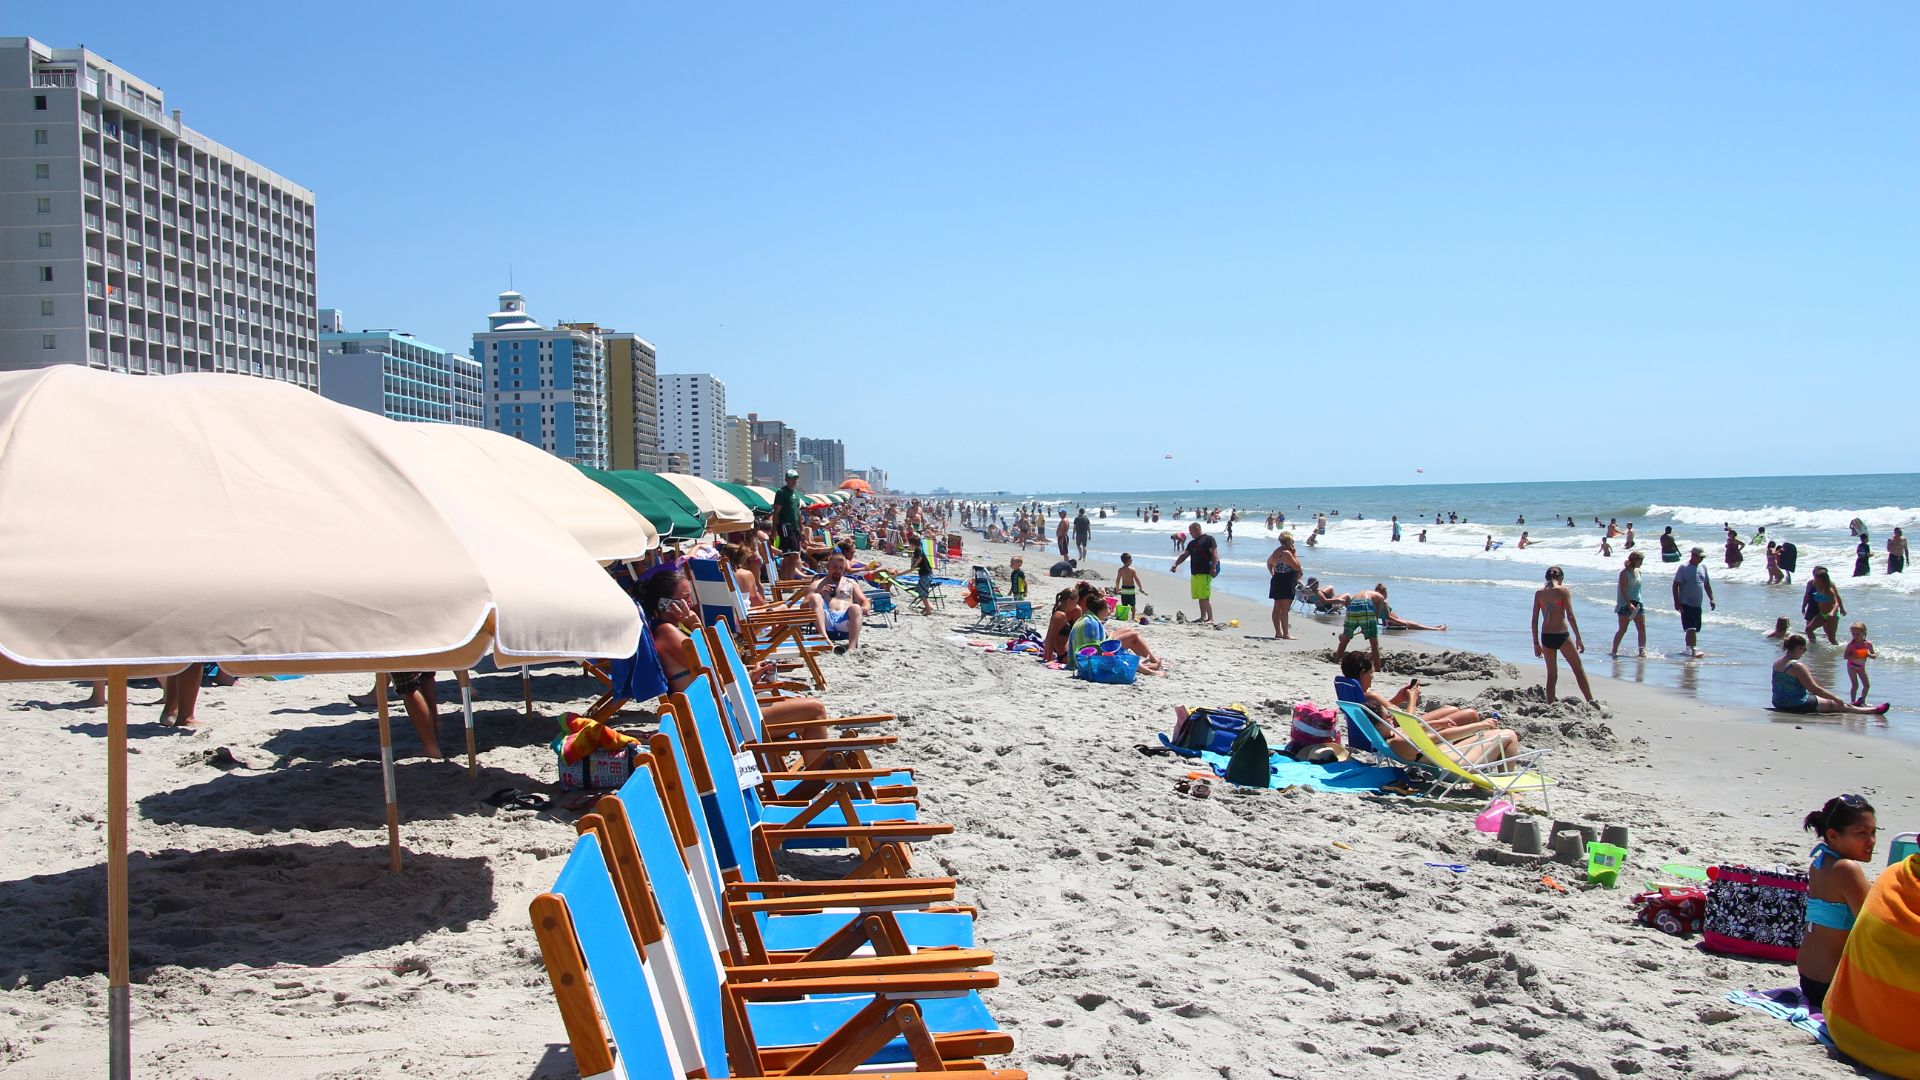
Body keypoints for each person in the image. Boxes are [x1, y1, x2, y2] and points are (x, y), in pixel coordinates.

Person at [1337, 653, 1521, 765]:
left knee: (1451, 708)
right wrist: (1412, 699)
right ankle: (1466, 745)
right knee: (1470, 715)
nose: (1373, 677)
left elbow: (1384, 713)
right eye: (1371, 674)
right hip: (1401, 730)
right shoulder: (1371, 696)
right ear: (1362, 673)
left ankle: (1467, 737)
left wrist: (1400, 698)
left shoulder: (1354, 693)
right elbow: (1408, 721)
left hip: (1390, 729)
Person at [1796, 794, 1879, 1014]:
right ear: (1833, 836)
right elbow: (1874, 926)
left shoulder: (1820, 862)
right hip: (1832, 987)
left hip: (1808, 980)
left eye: (1873, 833)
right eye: (1862, 833)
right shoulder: (1848, 869)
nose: (1870, 841)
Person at [1772, 634, 1888, 715]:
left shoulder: (1777, 663)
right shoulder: (1796, 666)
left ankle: (1858, 706)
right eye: (1803, 649)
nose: (1804, 652)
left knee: (1821, 697)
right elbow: (1815, 689)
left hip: (1779, 702)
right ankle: (1873, 711)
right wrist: (1835, 698)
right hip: (1797, 704)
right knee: (1835, 704)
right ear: (1797, 648)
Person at [1532, 566, 1597, 704]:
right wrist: (1578, 637)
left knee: (1552, 675)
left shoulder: (1539, 594)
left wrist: (1536, 643)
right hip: (1561, 635)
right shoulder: (1563, 591)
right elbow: (1571, 616)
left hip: (1546, 636)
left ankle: (1549, 704)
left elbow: (1534, 620)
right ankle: (1591, 701)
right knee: (1578, 669)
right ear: (1561, 578)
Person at [1068, 582, 1163, 674]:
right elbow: (1096, 648)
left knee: (1128, 631)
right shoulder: (1087, 618)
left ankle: (1150, 661)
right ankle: (1152, 662)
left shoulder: (1087, 617)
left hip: (1079, 656)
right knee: (1133, 635)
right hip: (1086, 660)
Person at [811, 554, 871, 652]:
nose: (838, 571)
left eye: (841, 568)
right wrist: (821, 593)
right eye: (835, 567)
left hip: (845, 620)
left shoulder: (851, 583)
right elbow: (803, 606)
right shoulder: (817, 584)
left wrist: (865, 608)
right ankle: (825, 639)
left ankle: (852, 648)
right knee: (815, 597)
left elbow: (864, 601)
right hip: (825, 618)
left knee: (856, 607)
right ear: (828, 567)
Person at [1169, 521, 1219, 624]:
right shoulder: (1191, 543)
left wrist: (1213, 567)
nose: (1189, 533)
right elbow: (1184, 555)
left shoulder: (1208, 539)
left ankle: (1210, 618)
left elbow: (1214, 553)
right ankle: (1202, 617)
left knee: (1204, 596)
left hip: (1205, 572)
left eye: (1191, 530)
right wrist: (1175, 564)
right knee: (1200, 596)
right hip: (1195, 573)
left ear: (1197, 528)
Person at [1672, 547, 1715, 657]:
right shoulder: (1684, 567)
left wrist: (1711, 598)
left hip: (1697, 603)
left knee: (1694, 628)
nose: (1702, 559)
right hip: (1685, 602)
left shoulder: (1703, 567)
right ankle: (1693, 649)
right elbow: (1675, 585)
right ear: (1693, 555)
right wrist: (1677, 601)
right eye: (1700, 557)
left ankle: (1688, 649)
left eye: (1703, 557)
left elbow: (1706, 584)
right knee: (1691, 627)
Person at [1335, 584, 1390, 671]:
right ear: (1384, 593)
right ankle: (1377, 669)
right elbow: (1375, 618)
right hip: (1365, 605)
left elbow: (1352, 608)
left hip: (1353, 604)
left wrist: (1360, 626)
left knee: (1345, 639)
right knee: (1374, 643)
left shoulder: (1364, 592)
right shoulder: (1380, 597)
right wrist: (1368, 629)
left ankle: (1336, 661)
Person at [1609, 551, 1648, 657]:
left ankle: (1642, 651)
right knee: (1623, 629)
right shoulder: (1624, 572)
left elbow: (1638, 589)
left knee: (1642, 627)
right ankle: (1614, 650)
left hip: (1638, 602)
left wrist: (1638, 602)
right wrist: (1629, 603)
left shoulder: (1638, 571)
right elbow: (1622, 589)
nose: (1642, 563)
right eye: (1640, 561)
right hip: (1625, 603)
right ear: (1634, 560)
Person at [1265, 532, 1302, 639]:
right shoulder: (1287, 553)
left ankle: (1278, 632)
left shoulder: (1277, 551)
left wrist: (1272, 573)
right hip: (1286, 580)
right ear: (1289, 542)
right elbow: (1297, 567)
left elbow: (1269, 563)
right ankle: (1285, 633)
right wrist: (1294, 553)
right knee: (1285, 609)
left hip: (1277, 579)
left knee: (1277, 607)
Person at [1802, 566, 1846, 644]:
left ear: (1823, 580)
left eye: (1816, 579)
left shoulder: (1829, 590)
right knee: (1808, 629)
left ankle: (1836, 650)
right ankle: (1814, 646)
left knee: (1831, 638)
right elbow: (1808, 595)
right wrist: (1804, 605)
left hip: (1832, 616)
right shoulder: (1816, 586)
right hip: (1822, 614)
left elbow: (1836, 603)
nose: (1814, 580)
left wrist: (1833, 612)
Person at [771, 468, 804, 553]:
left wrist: (801, 529)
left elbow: (798, 512)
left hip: (795, 526)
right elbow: (776, 512)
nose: (793, 481)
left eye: (795, 478)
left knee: (796, 554)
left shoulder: (796, 495)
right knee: (790, 554)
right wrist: (774, 530)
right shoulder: (781, 492)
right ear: (786, 480)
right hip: (785, 525)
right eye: (791, 478)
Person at [1844, 622, 1876, 706]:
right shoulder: (1851, 645)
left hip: (1861, 667)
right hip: (1851, 666)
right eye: (1853, 634)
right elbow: (1845, 656)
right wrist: (1853, 655)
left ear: (1864, 633)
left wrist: (1868, 655)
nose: (1855, 636)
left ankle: (1863, 701)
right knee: (1855, 685)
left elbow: (1874, 656)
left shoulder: (1868, 644)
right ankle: (1853, 702)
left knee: (1867, 685)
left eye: (1857, 634)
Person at [1114, 553, 1143, 618]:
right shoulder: (1132, 569)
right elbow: (1136, 579)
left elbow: (1118, 579)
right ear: (1129, 561)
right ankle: (1133, 617)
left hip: (1124, 588)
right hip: (1131, 589)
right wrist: (1140, 588)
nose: (1132, 560)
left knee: (1124, 604)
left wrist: (1117, 588)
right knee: (1133, 604)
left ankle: (1125, 616)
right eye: (1131, 559)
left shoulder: (1120, 570)